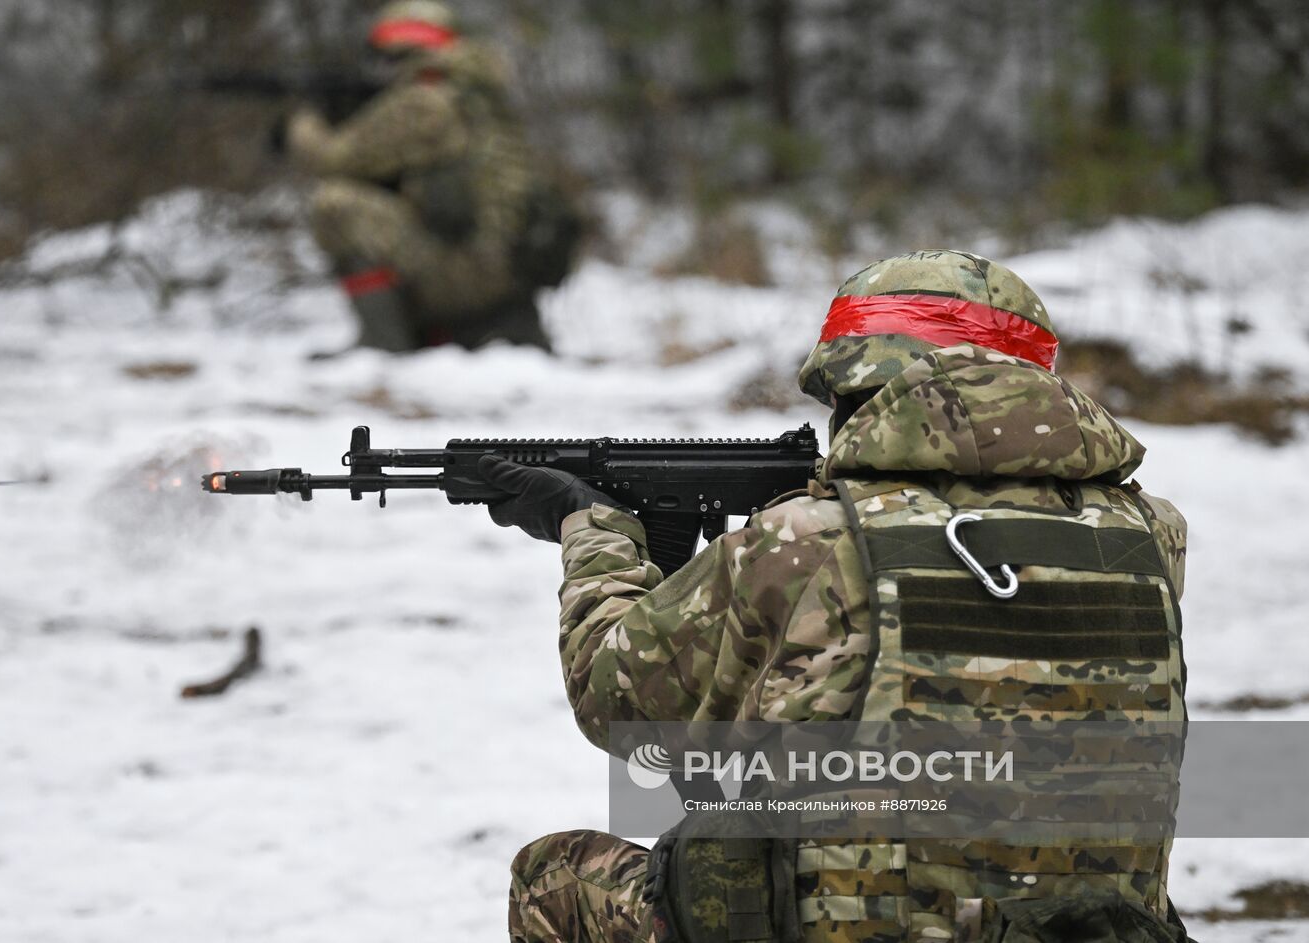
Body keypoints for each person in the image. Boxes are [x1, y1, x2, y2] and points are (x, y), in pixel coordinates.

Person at [478, 251, 1191, 943]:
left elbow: (614, 701)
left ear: (864, 393)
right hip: (1081, 930)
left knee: (553, 879)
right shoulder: (1152, 538)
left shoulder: (805, 541)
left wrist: (592, 531)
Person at [286, 0, 568, 355]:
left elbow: (333, 158)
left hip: (471, 272)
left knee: (336, 204)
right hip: (506, 273)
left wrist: (301, 123)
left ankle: (384, 346)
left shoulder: (426, 102)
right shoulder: (477, 94)